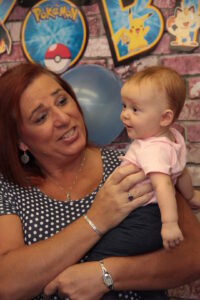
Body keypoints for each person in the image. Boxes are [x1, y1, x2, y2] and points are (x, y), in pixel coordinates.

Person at [0, 63, 199, 300]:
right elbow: (7, 284)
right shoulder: (9, 188)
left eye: (62, 101)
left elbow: (193, 253)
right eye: (41, 117)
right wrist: (95, 220)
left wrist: (106, 275)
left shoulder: (130, 165)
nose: (63, 118)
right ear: (21, 141)